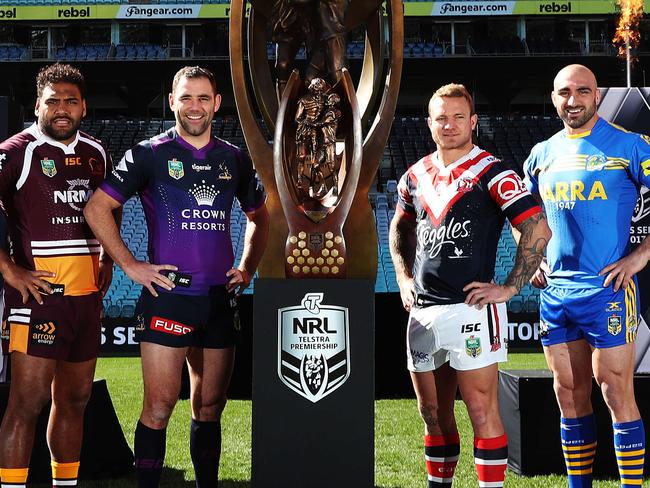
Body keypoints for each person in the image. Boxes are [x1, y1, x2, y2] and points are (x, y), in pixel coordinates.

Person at [84, 66, 269, 488]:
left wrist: (247, 267)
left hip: (220, 300)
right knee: (160, 406)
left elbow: (260, 217)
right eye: (186, 97)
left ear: (217, 103)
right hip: (169, 297)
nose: (195, 106)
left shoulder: (233, 157)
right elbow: (96, 208)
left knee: (209, 405)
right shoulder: (149, 153)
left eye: (203, 97)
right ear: (172, 102)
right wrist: (131, 264)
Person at [389, 83, 551, 488]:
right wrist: (404, 277)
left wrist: (510, 288)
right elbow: (399, 228)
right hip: (423, 312)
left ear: (473, 121)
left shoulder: (494, 172)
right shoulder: (414, 176)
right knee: (432, 414)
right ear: (429, 124)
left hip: (473, 310)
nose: (450, 125)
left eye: (459, 117)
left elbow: (536, 227)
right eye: (441, 118)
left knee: (481, 411)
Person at [523, 64, 647, 487]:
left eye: (582, 91)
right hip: (555, 293)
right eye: (563, 92)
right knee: (568, 396)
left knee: (614, 392)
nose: (572, 100)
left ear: (596, 96)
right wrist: (533, 258)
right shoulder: (541, 154)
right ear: (553, 97)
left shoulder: (630, 145)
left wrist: (639, 257)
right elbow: (525, 218)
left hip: (607, 291)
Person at [0, 63, 114, 488]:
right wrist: (10, 269)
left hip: (86, 301)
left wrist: (106, 260)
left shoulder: (98, 153)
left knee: (74, 401)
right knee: (25, 404)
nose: (61, 109)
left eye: (70, 100)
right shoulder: (17, 151)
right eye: (53, 101)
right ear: (37, 105)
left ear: (83, 106)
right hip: (39, 298)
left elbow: (109, 209)